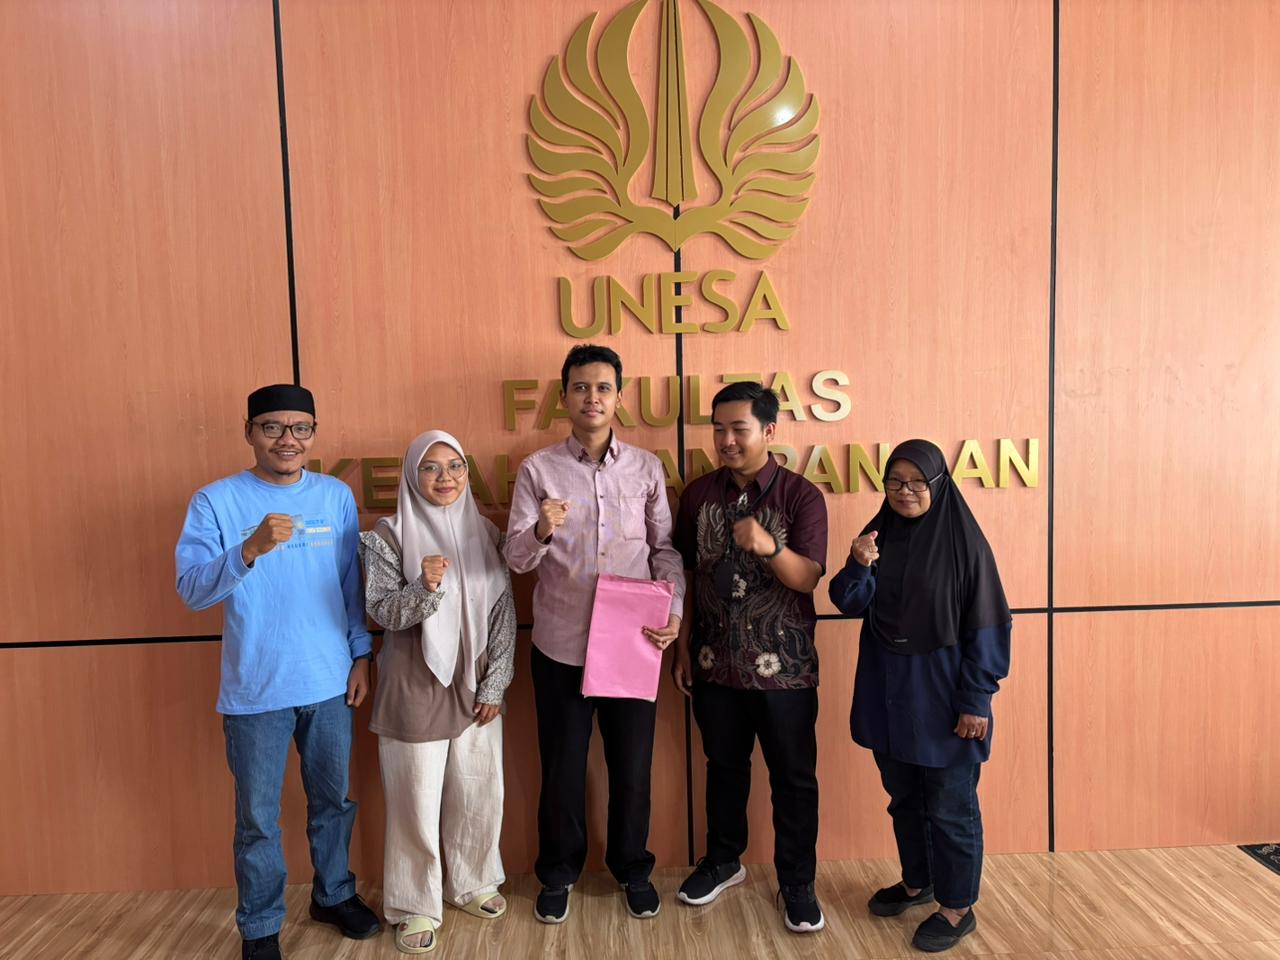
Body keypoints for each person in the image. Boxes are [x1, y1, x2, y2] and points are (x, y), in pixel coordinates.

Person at [175, 384, 380, 960]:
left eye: (300, 428)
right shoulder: (215, 501)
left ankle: (334, 894)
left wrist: (361, 655)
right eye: (272, 427)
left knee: (333, 802)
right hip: (256, 688)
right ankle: (261, 926)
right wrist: (248, 549)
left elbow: (350, 585)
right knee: (258, 821)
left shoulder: (335, 495)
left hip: (330, 681)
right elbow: (191, 590)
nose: (287, 439)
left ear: (313, 433)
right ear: (249, 432)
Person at [505, 344, 685, 924]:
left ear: (619, 397)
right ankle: (558, 873)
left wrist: (674, 610)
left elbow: (663, 550)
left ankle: (633, 868)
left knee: (632, 767)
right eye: (581, 387)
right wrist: (540, 529)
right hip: (561, 644)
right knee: (562, 769)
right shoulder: (538, 470)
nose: (592, 397)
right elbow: (516, 559)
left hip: (633, 641)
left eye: (603, 387)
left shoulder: (646, 468)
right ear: (564, 397)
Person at [828, 439, 1011, 953]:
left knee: (951, 808)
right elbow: (847, 602)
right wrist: (857, 563)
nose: (904, 491)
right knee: (904, 799)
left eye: (916, 482)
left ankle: (957, 907)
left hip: (944, 698)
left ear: (938, 484)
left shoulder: (966, 547)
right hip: (888, 695)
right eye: (894, 481)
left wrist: (976, 699)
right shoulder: (878, 536)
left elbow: (989, 625)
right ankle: (918, 881)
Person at [671, 382, 829, 934]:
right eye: (718, 429)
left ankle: (797, 883)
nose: (727, 440)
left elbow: (808, 578)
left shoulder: (801, 497)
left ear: (769, 430)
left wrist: (771, 547)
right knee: (723, 769)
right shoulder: (697, 495)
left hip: (785, 668)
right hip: (715, 663)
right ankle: (722, 861)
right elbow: (687, 575)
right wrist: (684, 646)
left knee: (794, 779)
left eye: (739, 429)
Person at [359, 429, 515, 955]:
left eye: (454, 466)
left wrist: (496, 680)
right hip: (413, 682)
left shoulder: (486, 532)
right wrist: (423, 588)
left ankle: (473, 881)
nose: (444, 477)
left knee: (479, 786)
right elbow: (383, 613)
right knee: (415, 798)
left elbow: (504, 613)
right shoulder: (388, 536)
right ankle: (414, 905)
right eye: (430, 467)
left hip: (476, 679)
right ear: (411, 475)